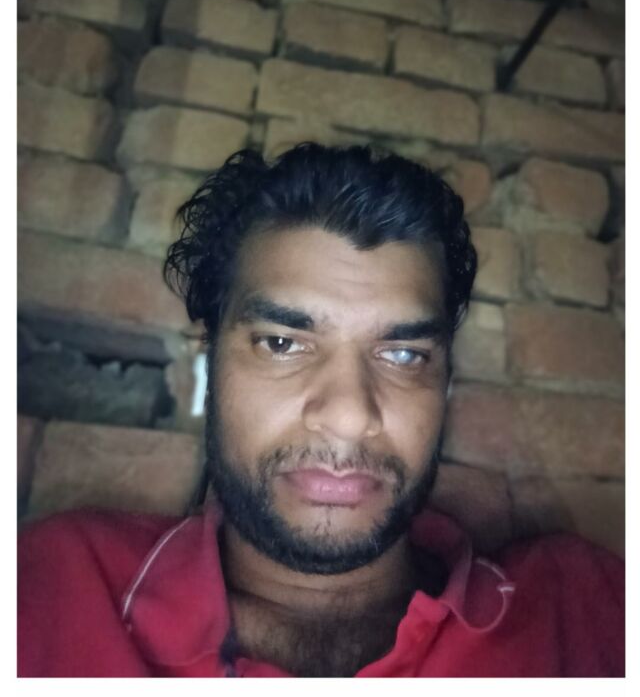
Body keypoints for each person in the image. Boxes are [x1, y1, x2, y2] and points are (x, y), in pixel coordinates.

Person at [18, 143, 624, 677]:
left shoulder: (586, 611)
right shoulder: (48, 590)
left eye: (404, 354)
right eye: (282, 343)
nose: (348, 416)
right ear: (210, 362)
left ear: (445, 386)